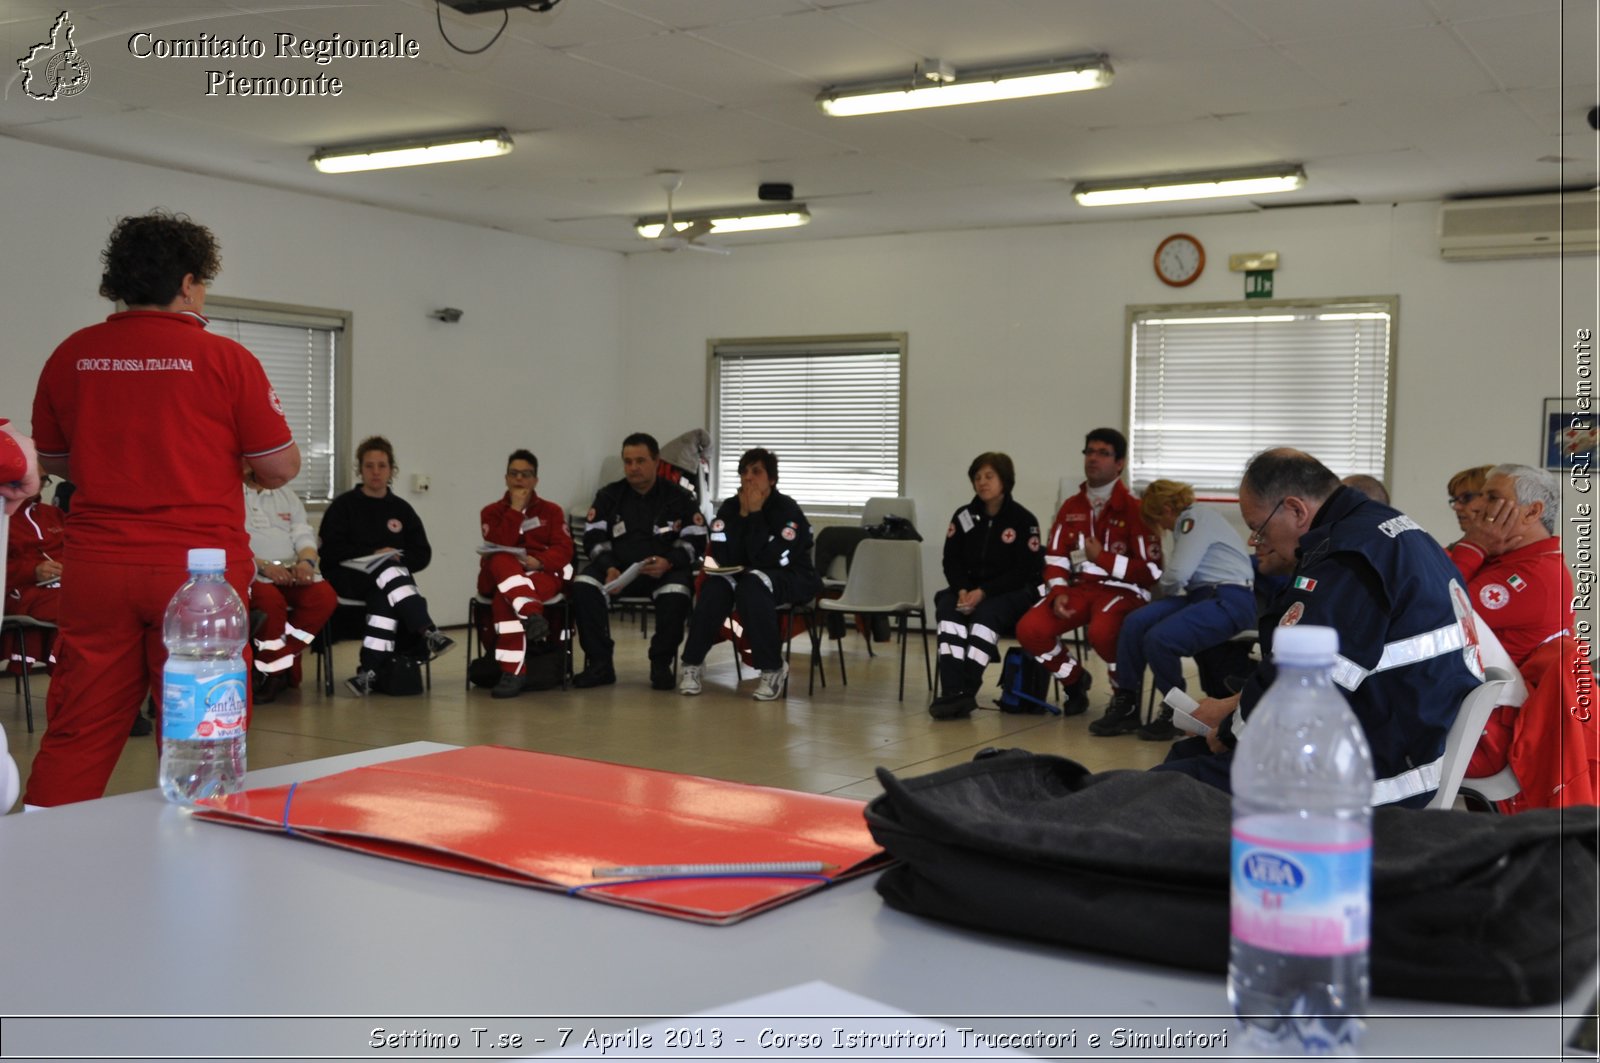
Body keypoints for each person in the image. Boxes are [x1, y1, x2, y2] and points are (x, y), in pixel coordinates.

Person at [26, 210, 300, 806]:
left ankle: (29, 880)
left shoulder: (71, 355)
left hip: (97, 569)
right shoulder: (227, 360)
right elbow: (278, 468)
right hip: (198, 575)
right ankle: (198, 875)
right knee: (202, 737)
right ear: (185, 283)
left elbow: (58, 460)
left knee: (79, 730)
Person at [1153, 448, 1482, 807]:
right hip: (1395, 734)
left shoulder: (1346, 559)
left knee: (1164, 791)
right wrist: (1234, 710)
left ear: (1295, 509)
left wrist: (1231, 732)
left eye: (1257, 528)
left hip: (1371, 774)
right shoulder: (1385, 527)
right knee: (1185, 761)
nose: (1254, 542)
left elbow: (1305, 690)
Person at [1453, 463, 1596, 810]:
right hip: (1483, 720)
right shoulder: (1508, 561)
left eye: (1493, 498)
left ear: (1533, 511)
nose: (1478, 507)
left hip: (1488, 736)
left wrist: (1473, 546)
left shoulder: (1532, 575)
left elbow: (1428, 607)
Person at [1092, 479, 1255, 740]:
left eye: (1158, 520)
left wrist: (1164, 591)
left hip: (1228, 599)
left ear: (1167, 508)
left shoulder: (1193, 518)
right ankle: (1127, 701)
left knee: (1160, 639)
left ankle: (1176, 710)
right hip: (1203, 595)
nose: (1163, 528)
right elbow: (1180, 577)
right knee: (1135, 622)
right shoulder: (1193, 520)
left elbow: (1178, 573)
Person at [1015, 428, 1162, 715]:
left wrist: (1104, 559)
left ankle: (1124, 696)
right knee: (1030, 629)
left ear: (1120, 463)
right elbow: (1056, 558)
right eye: (1089, 452)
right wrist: (1058, 591)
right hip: (1080, 588)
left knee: (1103, 631)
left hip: (1125, 591)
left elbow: (1151, 571)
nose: (1093, 459)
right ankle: (1074, 680)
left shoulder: (1135, 508)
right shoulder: (1071, 506)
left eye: (1103, 453)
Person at [678, 448, 819, 701]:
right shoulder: (731, 509)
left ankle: (772, 668)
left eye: (756, 472)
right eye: (744, 472)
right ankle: (692, 663)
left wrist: (754, 515)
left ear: (772, 479)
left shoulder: (787, 510)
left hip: (791, 577)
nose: (748, 478)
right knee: (713, 588)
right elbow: (722, 554)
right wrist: (743, 517)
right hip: (744, 575)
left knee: (752, 586)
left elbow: (770, 558)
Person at [318, 436, 452, 696]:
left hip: (384, 585)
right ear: (360, 469)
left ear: (392, 470)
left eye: (381, 466)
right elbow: (330, 551)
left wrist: (398, 558)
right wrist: (373, 553)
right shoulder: (343, 506)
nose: (376, 472)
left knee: (384, 597)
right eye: (369, 466)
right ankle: (428, 630)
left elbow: (422, 554)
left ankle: (368, 673)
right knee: (387, 571)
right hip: (348, 577)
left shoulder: (401, 509)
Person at [571, 432, 705, 690]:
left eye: (641, 460)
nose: (633, 467)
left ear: (656, 461)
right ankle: (600, 665)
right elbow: (592, 538)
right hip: (616, 571)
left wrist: (670, 561)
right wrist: (609, 566)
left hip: (664, 569)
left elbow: (696, 539)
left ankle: (660, 664)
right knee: (583, 585)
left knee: (678, 592)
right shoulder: (609, 496)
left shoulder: (680, 497)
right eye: (628, 461)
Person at [927, 452, 1044, 720]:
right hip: (967, 591)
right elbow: (951, 560)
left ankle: (967, 690)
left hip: (1008, 593)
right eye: (977, 477)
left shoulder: (1023, 520)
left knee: (985, 617)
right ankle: (952, 691)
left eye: (989, 476)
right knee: (948, 612)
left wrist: (985, 592)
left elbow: (1026, 570)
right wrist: (962, 590)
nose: (982, 482)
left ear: (1005, 480)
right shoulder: (963, 516)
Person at [477, 449, 573, 699]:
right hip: (500, 573)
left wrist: (538, 562)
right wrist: (516, 509)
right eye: (514, 474)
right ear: (506, 478)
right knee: (500, 556)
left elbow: (564, 549)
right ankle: (531, 613)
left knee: (504, 599)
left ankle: (513, 673)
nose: (519, 479)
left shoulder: (551, 511)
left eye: (526, 474)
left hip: (538, 573)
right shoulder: (491, 511)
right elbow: (498, 543)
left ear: (535, 480)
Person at [244, 465, 337, 703]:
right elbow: (229, 542)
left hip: (290, 570)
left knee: (324, 596)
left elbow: (303, 533)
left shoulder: (285, 493)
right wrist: (264, 566)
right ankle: (274, 674)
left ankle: (278, 661)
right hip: (252, 572)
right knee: (270, 602)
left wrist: (306, 562)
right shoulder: (230, 492)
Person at [1443, 463, 1494, 565]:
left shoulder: (1520, 554)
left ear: (1493, 498)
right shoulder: (1450, 552)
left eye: (1466, 497)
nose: (1456, 507)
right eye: (1455, 499)